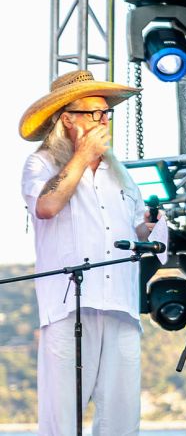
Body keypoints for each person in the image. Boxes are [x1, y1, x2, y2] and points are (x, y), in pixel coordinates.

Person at [19, 70, 155, 435]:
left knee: (122, 419)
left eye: (107, 113)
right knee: (62, 418)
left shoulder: (120, 174)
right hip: (69, 306)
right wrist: (82, 155)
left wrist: (153, 226)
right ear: (68, 119)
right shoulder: (42, 164)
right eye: (95, 113)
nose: (104, 120)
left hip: (121, 305)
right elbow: (46, 206)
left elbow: (137, 229)